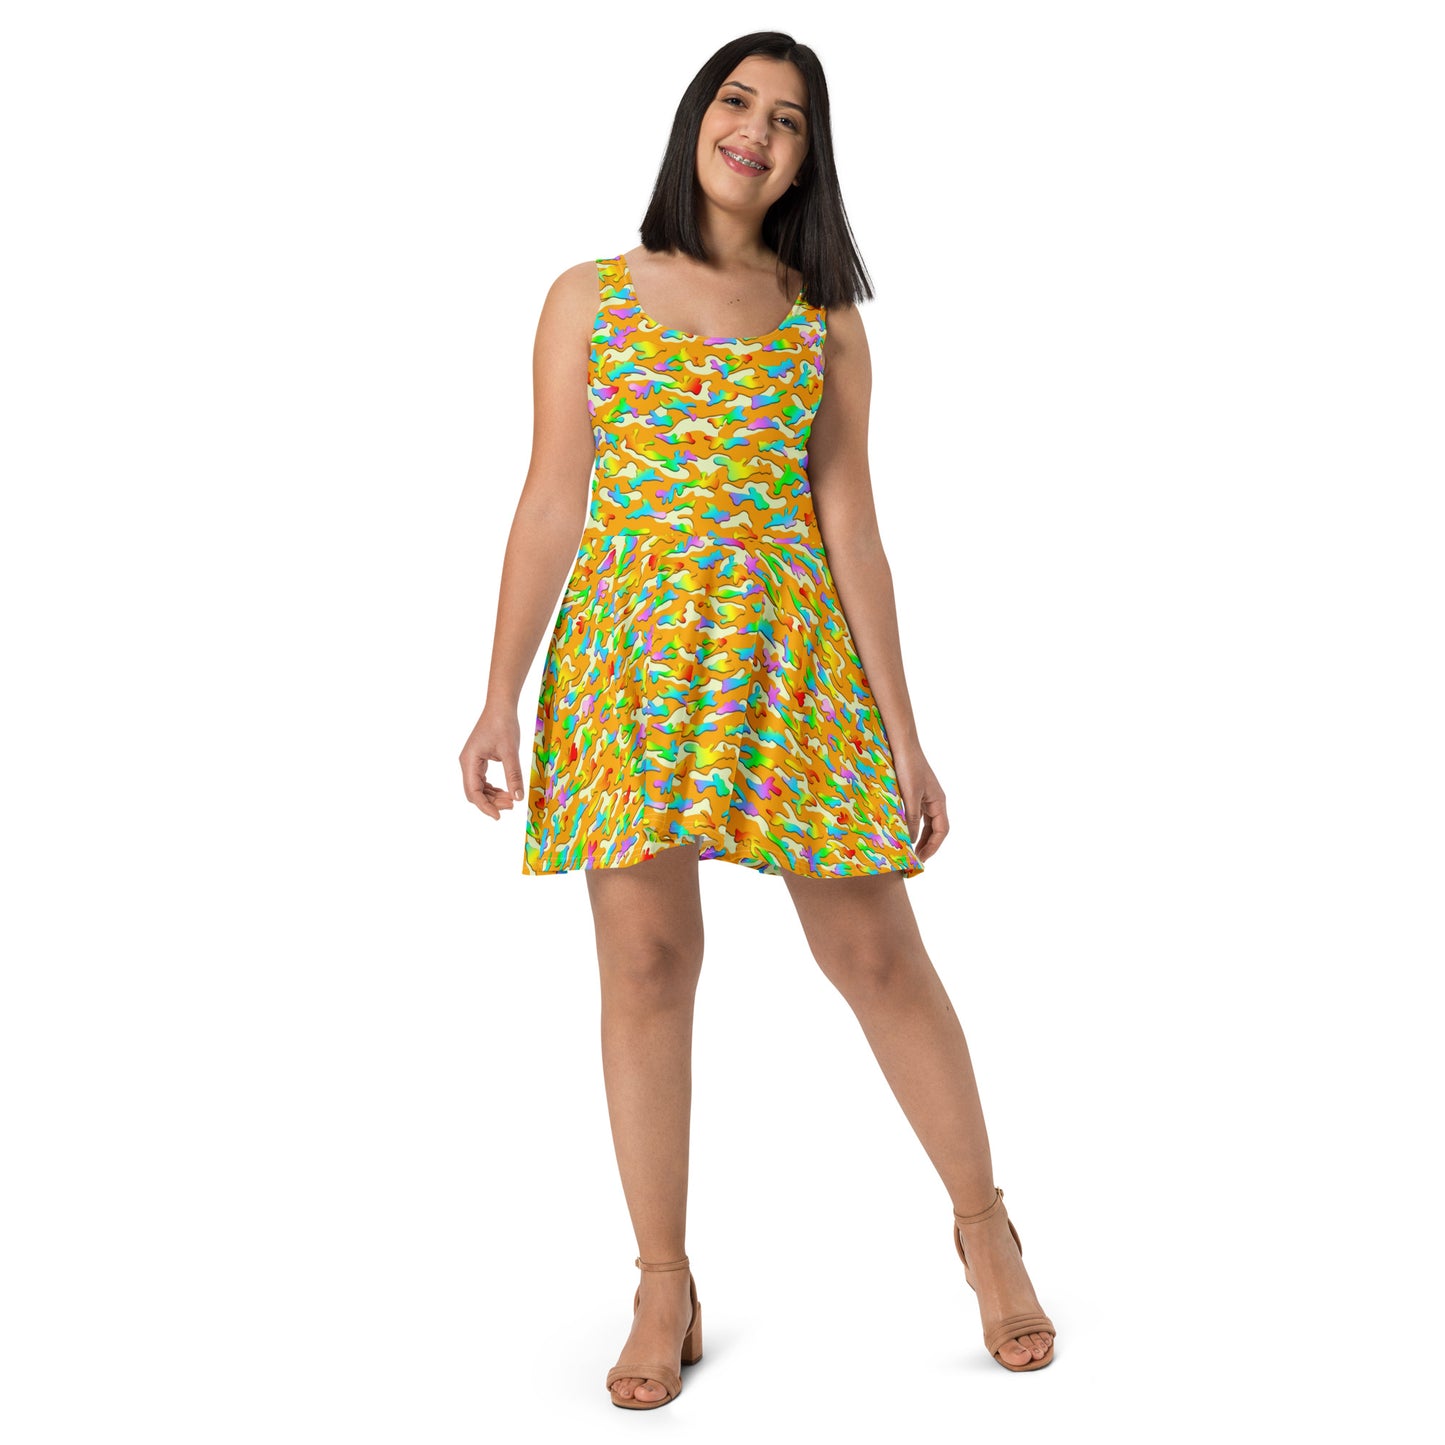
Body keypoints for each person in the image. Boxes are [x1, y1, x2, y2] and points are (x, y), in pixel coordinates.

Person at [459, 30, 1057, 1409]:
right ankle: (661, 1281)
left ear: (806, 159)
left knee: (876, 953)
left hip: (792, 667)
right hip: (628, 666)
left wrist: (903, 732)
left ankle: (985, 1230)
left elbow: (852, 525)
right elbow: (551, 498)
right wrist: (498, 692)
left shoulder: (820, 323)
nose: (756, 132)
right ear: (695, 121)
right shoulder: (589, 296)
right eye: (737, 102)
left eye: (789, 120)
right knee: (646, 964)